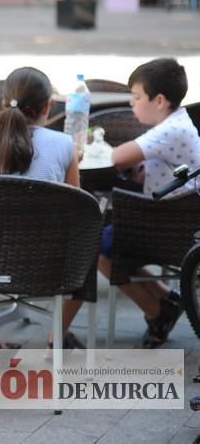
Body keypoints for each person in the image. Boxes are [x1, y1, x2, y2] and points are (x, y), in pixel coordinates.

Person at [63, 58, 200, 348]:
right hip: (179, 217)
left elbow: (116, 157)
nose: (132, 104)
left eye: (136, 98)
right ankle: (166, 300)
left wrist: (90, 145)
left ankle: (156, 309)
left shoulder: (167, 131)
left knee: (97, 246)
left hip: (173, 227)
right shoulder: (180, 121)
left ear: (159, 100)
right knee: (110, 243)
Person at [0, 67, 81, 357]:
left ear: (4, 102)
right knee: (88, 244)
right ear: (47, 107)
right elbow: (76, 202)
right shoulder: (64, 145)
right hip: (47, 263)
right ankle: (56, 339)